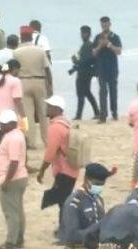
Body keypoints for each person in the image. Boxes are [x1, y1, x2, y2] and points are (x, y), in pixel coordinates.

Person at [38, 95, 77, 229]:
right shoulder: (66, 123)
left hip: (63, 169)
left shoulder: (55, 127)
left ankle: (65, 230)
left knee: (63, 201)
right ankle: (63, 228)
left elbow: (50, 152)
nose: (47, 109)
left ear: (56, 109)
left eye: (49, 107)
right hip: (72, 168)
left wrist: (41, 170)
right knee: (64, 199)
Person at [0, 109, 28, 249]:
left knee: (11, 212)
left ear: (10, 124)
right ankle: (19, 239)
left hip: (13, 179)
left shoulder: (12, 138)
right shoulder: (18, 134)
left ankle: (11, 242)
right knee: (18, 210)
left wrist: (6, 181)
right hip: (20, 177)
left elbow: (14, 162)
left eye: (2, 124)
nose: (0, 126)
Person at [14, 25, 52, 149]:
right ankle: (47, 140)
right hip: (39, 81)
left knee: (28, 114)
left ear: (21, 37)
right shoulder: (39, 50)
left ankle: (31, 142)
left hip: (23, 82)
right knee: (43, 113)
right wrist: (50, 85)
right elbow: (47, 69)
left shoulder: (16, 52)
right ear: (31, 36)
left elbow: (12, 69)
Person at [0, 59, 26, 143]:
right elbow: (18, 101)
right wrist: (24, 118)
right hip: (9, 122)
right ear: (15, 69)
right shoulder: (16, 81)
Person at [93, 17, 122, 123]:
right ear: (101, 25)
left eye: (106, 23)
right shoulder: (97, 37)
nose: (104, 25)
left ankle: (114, 113)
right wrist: (100, 46)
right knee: (102, 92)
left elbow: (119, 51)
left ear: (110, 24)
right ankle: (103, 116)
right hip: (101, 69)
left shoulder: (115, 37)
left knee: (113, 91)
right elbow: (93, 53)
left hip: (113, 68)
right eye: (102, 24)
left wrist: (109, 45)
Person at [70, 25, 100, 120]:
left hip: (84, 72)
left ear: (89, 34)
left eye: (85, 33)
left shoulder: (88, 45)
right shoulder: (86, 45)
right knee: (87, 92)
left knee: (81, 94)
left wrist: (76, 62)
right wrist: (75, 66)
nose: (83, 35)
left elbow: (88, 60)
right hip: (85, 71)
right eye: (82, 33)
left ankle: (79, 115)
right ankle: (97, 112)